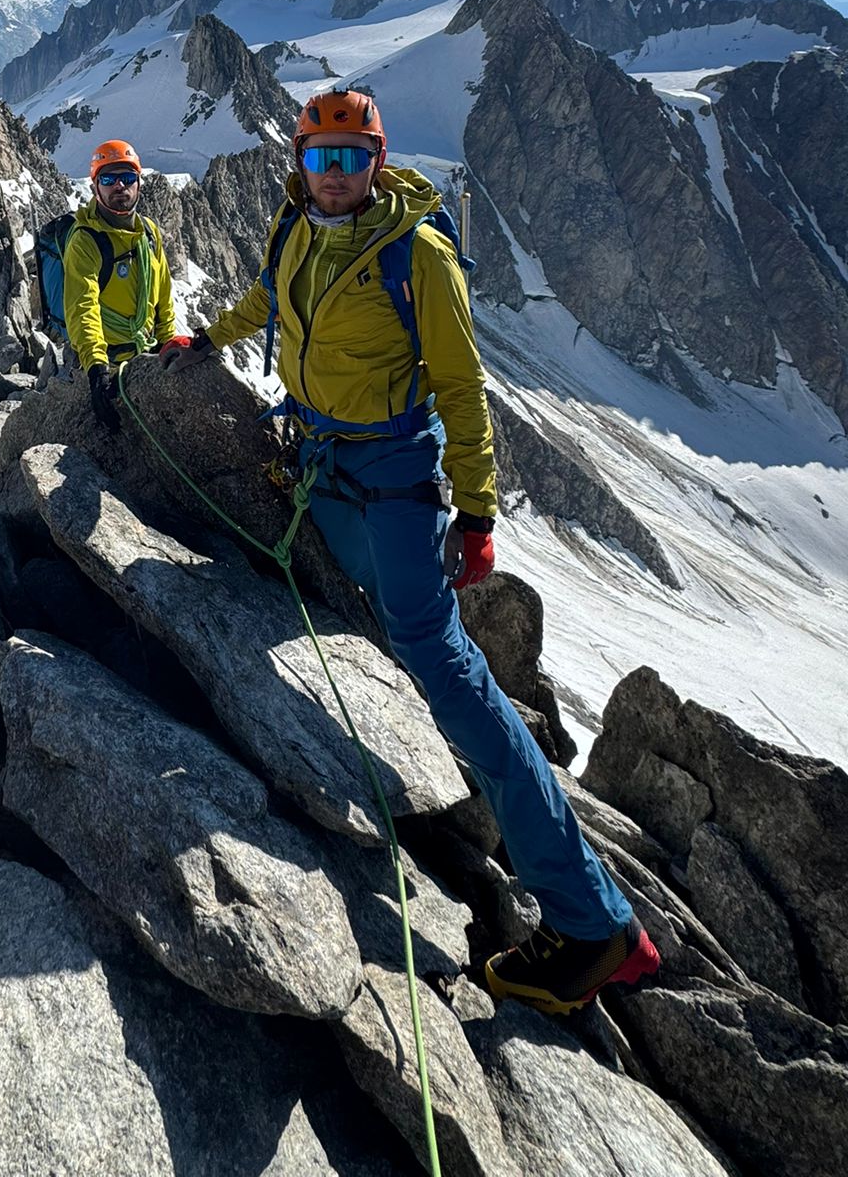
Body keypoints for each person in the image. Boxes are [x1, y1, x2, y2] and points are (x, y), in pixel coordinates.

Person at [161, 88, 660, 1015]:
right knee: (338, 577)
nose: (337, 177)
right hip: (325, 455)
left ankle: (593, 924)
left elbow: (464, 390)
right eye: (321, 160)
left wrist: (476, 516)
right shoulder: (299, 228)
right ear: (301, 165)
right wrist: (210, 339)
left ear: (379, 162)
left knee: (439, 660)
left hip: (393, 475)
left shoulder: (417, 254)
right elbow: (272, 298)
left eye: (353, 159)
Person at [64, 139, 186, 436]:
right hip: (108, 360)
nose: (120, 186)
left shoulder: (149, 233)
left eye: (128, 177)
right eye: (108, 178)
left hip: (145, 353)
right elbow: (83, 308)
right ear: (95, 187)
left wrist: (167, 342)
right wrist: (96, 369)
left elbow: (163, 298)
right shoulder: (85, 240)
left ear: (139, 184)